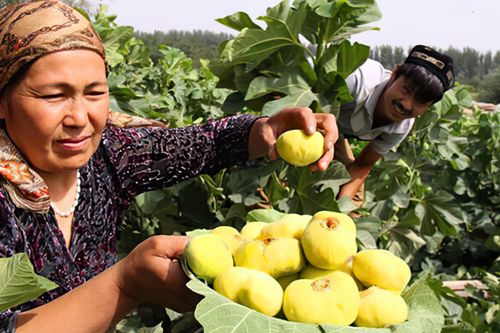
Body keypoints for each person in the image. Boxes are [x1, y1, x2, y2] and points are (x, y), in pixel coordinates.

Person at [0, 1, 338, 332]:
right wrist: (126, 284)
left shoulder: (108, 156)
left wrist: (264, 130)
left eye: (94, 93)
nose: (79, 118)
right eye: (52, 96)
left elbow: (201, 145)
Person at [335, 45, 455, 206]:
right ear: (394, 74)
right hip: (307, 118)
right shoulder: (355, 80)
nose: (406, 104)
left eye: (420, 102)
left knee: (354, 199)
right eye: (406, 90)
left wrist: (338, 209)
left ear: (428, 107)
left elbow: (364, 164)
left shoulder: (402, 126)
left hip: (335, 133)